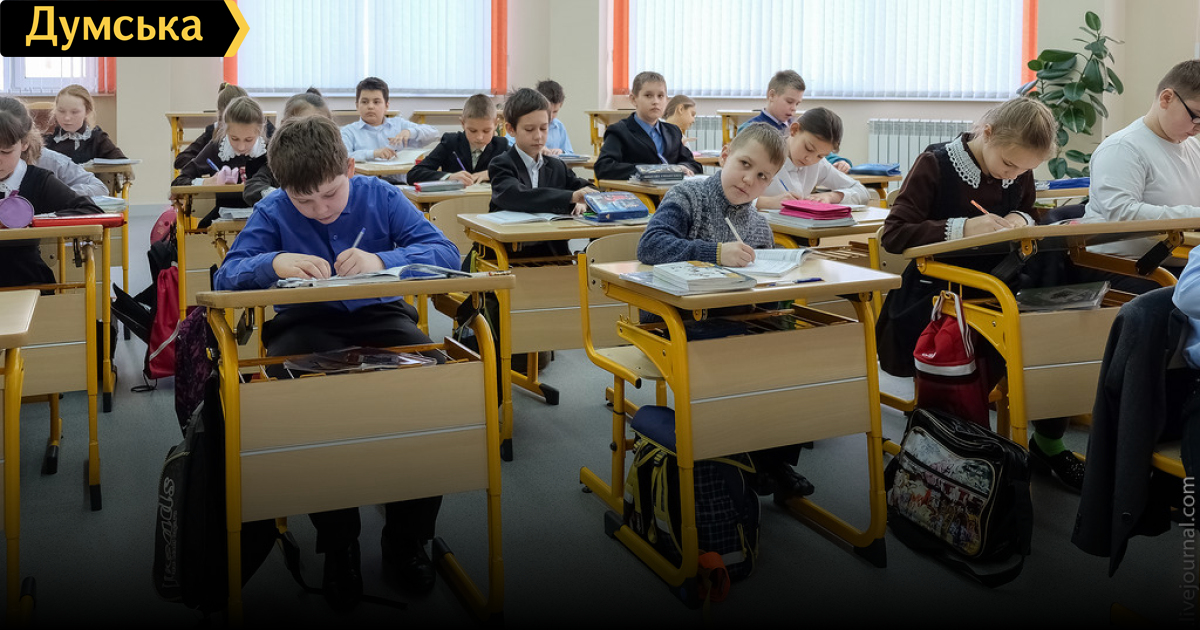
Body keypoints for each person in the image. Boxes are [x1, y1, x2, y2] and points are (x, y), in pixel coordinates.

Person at [213, 115, 459, 611]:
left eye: (330, 194)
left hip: (382, 317)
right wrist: (271, 263)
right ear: (284, 187)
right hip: (305, 324)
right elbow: (226, 276)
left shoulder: (380, 195)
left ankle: (406, 539)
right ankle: (339, 544)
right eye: (304, 201)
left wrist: (383, 261)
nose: (320, 210)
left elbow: (445, 252)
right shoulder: (273, 209)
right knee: (307, 409)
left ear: (349, 168)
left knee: (434, 390)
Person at [876, 96, 1087, 492]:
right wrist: (963, 228)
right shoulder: (936, 163)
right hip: (938, 295)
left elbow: (1029, 209)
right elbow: (895, 233)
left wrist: (1019, 218)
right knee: (998, 340)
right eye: (1009, 165)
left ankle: (1046, 441)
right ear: (987, 133)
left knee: (1059, 329)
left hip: (998, 286)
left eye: (1025, 170)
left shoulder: (1016, 166)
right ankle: (944, 449)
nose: (1015, 174)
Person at [635, 123, 815, 497]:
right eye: (745, 164)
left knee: (791, 351)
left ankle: (769, 460)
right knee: (737, 357)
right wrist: (715, 253)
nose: (749, 180)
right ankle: (737, 458)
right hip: (673, 321)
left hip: (733, 320)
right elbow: (651, 246)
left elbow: (765, 293)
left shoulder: (759, 227)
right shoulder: (688, 196)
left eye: (763, 176)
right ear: (725, 155)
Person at [1082, 58, 1200, 264]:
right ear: (1166, 98)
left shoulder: (1193, 147)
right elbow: (1122, 213)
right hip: (1126, 265)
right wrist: (1194, 216)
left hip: (1181, 263)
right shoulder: (1122, 148)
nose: (1198, 128)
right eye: (1196, 116)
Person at [0, 97, 102, 288]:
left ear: (24, 144)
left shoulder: (38, 180)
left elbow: (91, 211)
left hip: (28, 283)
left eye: (6, 152)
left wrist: (34, 220)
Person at [488, 87, 597, 257]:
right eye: (529, 129)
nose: (538, 136)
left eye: (544, 128)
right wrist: (570, 197)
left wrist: (584, 201)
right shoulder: (501, 164)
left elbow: (588, 189)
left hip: (553, 254)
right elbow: (517, 195)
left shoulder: (557, 166)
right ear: (510, 129)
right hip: (512, 255)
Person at [173, 96, 269, 225]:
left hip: (263, 215)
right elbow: (178, 182)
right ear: (225, 130)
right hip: (223, 214)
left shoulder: (269, 150)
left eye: (249, 140)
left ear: (260, 132)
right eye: (234, 138)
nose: (241, 147)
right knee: (202, 229)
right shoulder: (218, 147)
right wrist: (207, 182)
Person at [594, 71, 702, 180]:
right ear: (633, 99)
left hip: (672, 189)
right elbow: (603, 167)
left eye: (660, 96)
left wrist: (682, 167)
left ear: (666, 100)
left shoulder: (673, 132)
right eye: (648, 95)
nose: (655, 101)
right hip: (639, 189)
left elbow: (694, 165)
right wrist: (651, 171)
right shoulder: (619, 131)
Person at [754, 107, 870, 209]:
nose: (810, 160)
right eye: (808, 148)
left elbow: (862, 192)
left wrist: (832, 196)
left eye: (820, 156)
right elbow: (741, 199)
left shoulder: (818, 164)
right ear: (794, 130)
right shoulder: (761, 154)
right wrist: (768, 202)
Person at [243, 88, 333, 205]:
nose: (311, 135)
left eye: (319, 129)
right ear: (284, 126)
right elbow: (253, 187)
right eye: (303, 127)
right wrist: (282, 198)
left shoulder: (333, 162)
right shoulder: (277, 161)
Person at [407, 93, 508, 185]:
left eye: (486, 131)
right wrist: (449, 177)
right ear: (463, 123)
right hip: (453, 199)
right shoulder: (451, 142)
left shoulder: (501, 146)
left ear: (496, 124)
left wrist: (493, 172)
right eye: (473, 131)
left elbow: (518, 170)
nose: (479, 137)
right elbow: (414, 174)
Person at [175, 82, 276, 170]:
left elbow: (281, 156)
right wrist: (207, 168)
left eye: (248, 139)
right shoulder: (213, 132)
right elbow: (181, 160)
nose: (241, 147)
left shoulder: (265, 128)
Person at [340, 76, 439, 164]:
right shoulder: (348, 132)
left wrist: (410, 132)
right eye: (365, 102)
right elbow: (343, 158)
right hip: (364, 179)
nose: (370, 106)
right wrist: (373, 153)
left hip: (398, 178)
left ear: (386, 106)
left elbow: (434, 133)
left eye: (376, 102)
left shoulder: (399, 124)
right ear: (357, 105)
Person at [41, 84, 125, 164]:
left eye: (74, 112)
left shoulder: (98, 140)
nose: (67, 118)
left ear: (87, 111)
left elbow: (122, 164)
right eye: (61, 111)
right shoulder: (48, 140)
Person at [507, 79, 576, 156]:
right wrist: (534, 149)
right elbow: (507, 148)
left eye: (555, 112)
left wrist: (562, 152)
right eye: (529, 129)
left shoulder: (559, 126)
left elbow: (570, 153)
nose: (550, 116)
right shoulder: (522, 122)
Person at [737, 70, 805, 135]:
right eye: (789, 102)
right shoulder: (749, 129)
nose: (794, 108)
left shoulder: (795, 128)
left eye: (797, 104)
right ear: (772, 95)